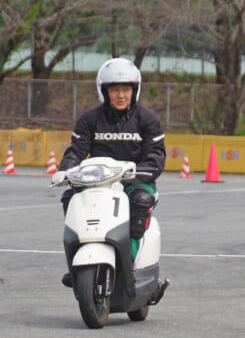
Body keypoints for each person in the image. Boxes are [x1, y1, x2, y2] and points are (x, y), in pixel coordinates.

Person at [52, 57, 167, 291]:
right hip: (97, 183)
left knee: (140, 201)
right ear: (104, 91)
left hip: (137, 182)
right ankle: (77, 266)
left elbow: (156, 157)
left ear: (134, 91)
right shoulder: (90, 119)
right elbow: (77, 151)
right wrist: (64, 171)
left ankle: (134, 266)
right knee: (70, 198)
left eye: (126, 89)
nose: (121, 95)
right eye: (115, 90)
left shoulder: (147, 119)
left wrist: (138, 173)